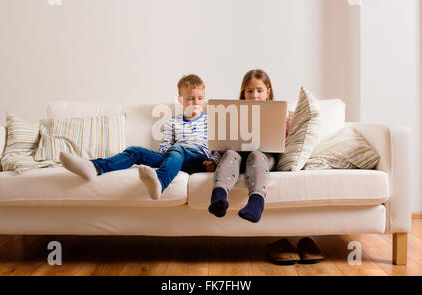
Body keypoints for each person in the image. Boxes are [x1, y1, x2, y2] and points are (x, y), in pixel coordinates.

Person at [59, 74, 219, 200]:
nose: (196, 103)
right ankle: (94, 167)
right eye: (191, 98)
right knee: (135, 151)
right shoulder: (172, 122)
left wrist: (214, 162)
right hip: (173, 158)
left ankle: (160, 182)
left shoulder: (209, 121)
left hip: (197, 160)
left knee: (177, 149)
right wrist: (167, 153)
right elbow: (165, 144)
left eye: (200, 98)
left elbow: (217, 147)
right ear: (180, 100)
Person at [208, 69, 289, 223]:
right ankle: (218, 197)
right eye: (250, 91)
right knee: (230, 154)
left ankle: (256, 203)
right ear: (243, 93)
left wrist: (285, 126)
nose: (255, 95)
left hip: (263, 158)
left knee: (257, 155)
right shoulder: (234, 112)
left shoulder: (277, 113)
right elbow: (221, 144)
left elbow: (280, 143)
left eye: (259, 91)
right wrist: (214, 159)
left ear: (268, 92)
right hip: (238, 158)